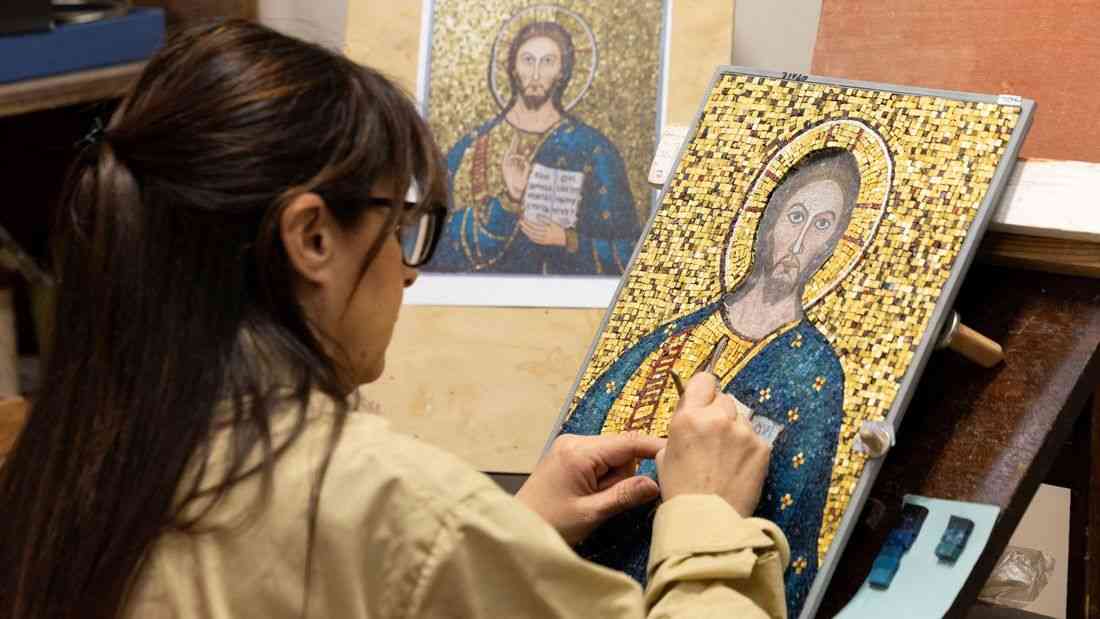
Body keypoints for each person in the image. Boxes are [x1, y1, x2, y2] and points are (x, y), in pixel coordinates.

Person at [0, 21, 787, 619]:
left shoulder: (72, 442)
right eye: (403, 226)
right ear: (312, 237)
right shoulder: (393, 504)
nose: (410, 271)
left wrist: (511, 531)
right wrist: (706, 519)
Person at [564, 148, 860, 615]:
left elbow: (795, 525)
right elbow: (582, 432)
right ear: (768, 223)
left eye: (822, 225)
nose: (800, 241)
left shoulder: (815, 371)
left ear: (835, 243)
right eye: (796, 216)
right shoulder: (679, 333)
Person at [432, 19, 640, 275]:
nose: (535, 74)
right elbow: (432, 242)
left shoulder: (592, 148)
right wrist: (509, 201)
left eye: (548, 61)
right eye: (528, 60)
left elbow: (633, 252)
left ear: (563, 71)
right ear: (513, 67)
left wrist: (569, 240)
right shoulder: (474, 147)